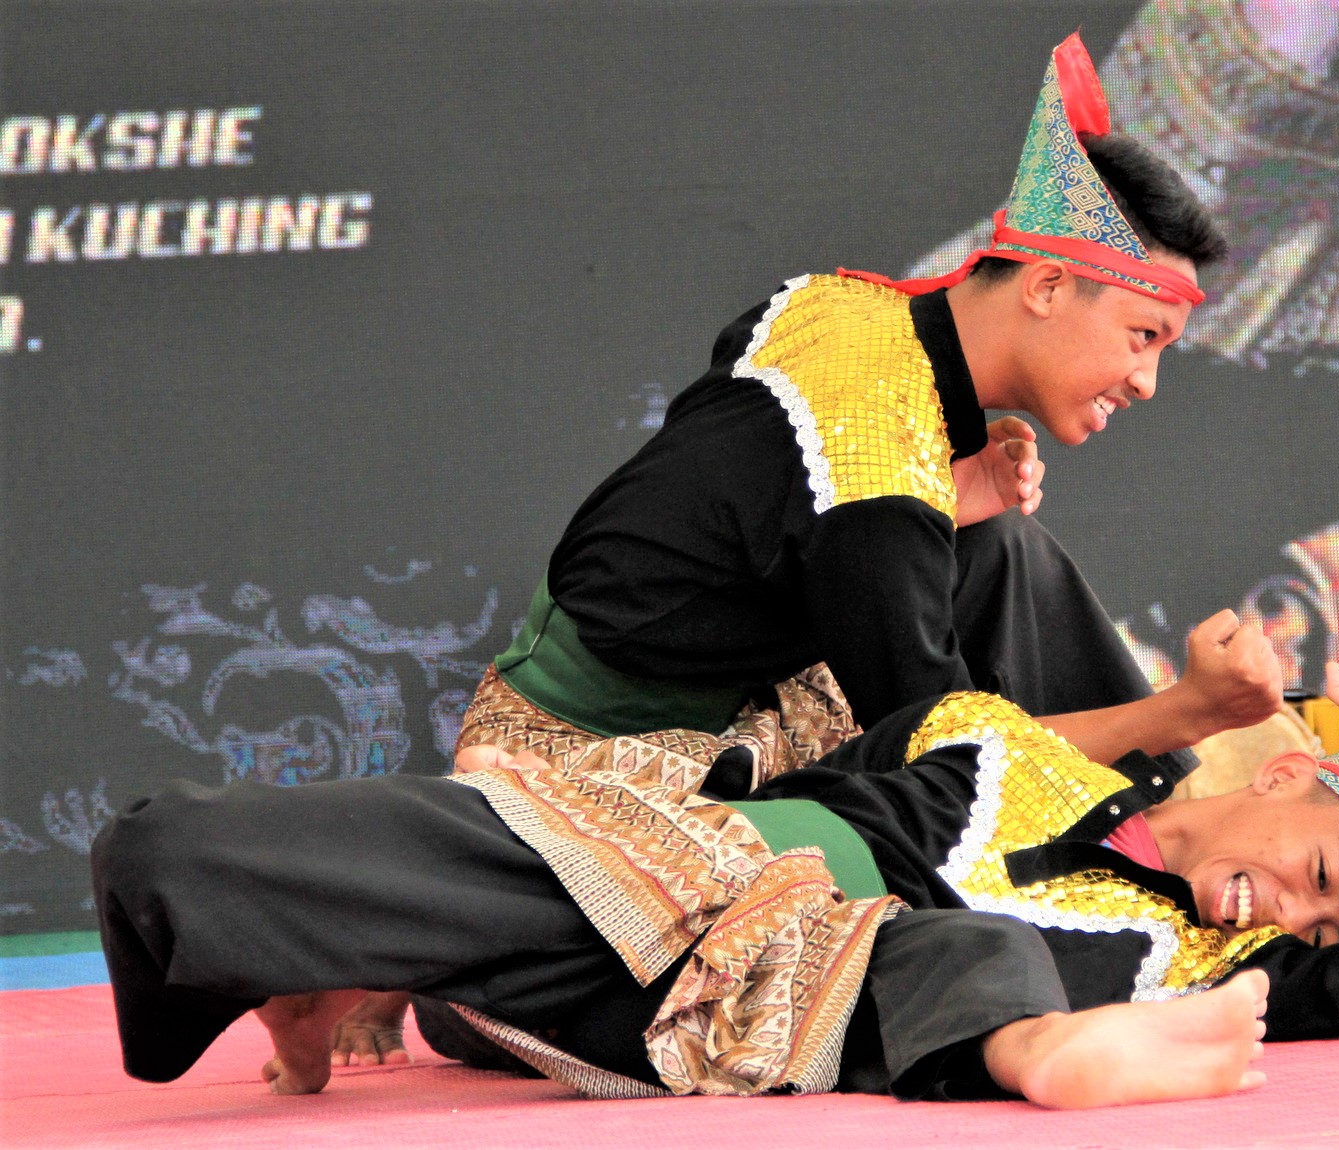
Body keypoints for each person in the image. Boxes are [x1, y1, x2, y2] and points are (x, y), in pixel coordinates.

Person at [330, 29, 1285, 1064]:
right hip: (608, 774)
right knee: (811, 961)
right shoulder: (875, 478)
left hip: (715, 693)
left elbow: (748, 483)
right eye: (1143, 337)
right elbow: (953, 770)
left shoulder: (838, 308)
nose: (1145, 381)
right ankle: (434, 952)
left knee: (1002, 551)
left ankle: (1164, 826)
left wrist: (947, 497)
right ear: (1048, 286)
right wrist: (1181, 710)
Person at [92, 585, 1339, 1109]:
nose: (1282, 914)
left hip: (768, 1009)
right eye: (1318, 875)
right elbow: (822, 775)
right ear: (1287, 774)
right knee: (171, 860)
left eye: (1316, 931)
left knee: (966, 946)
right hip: (665, 882)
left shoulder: (1212, 968)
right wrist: (1177, 709)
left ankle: (1043, 1056)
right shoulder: (1007, 744)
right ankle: (331, 970)